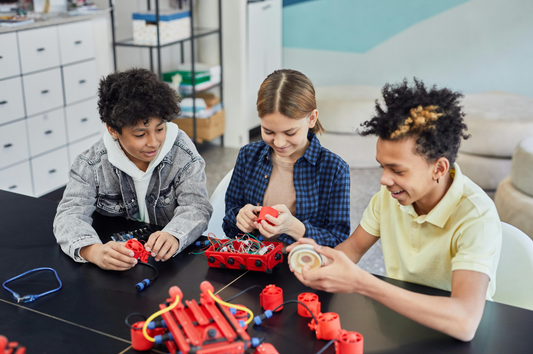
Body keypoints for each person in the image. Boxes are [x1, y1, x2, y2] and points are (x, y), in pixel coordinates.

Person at [287, 79, 502, 341]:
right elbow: (353, 248)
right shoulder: (389, 198)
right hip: (401, 326)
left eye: (397, 170)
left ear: (439, 169)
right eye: (382, 167)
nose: (384, 180)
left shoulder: (476, 217)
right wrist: (320, 259)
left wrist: (362, 282)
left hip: (453, 338)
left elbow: (465, 322)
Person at [53, 68, 212, 271]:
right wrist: (93, 251)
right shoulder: (91, 165)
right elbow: (69, 215)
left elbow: (197, 207)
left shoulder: (182, 153)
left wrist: (173, 234)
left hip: (168, 265)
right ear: (112, 130)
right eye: (140, 135)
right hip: (118, 262)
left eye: (160, 129)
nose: (153, 143)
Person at [222, 69, 350, 247]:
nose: (279, 142)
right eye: (268, 131)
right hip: (252, 262)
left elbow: (339, 240)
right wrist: (239, 218)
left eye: (290, 132)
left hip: (303, 267)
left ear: (311, 119)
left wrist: (293, 227)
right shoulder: (248, 155)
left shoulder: (334, 169)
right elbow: (229, 219)